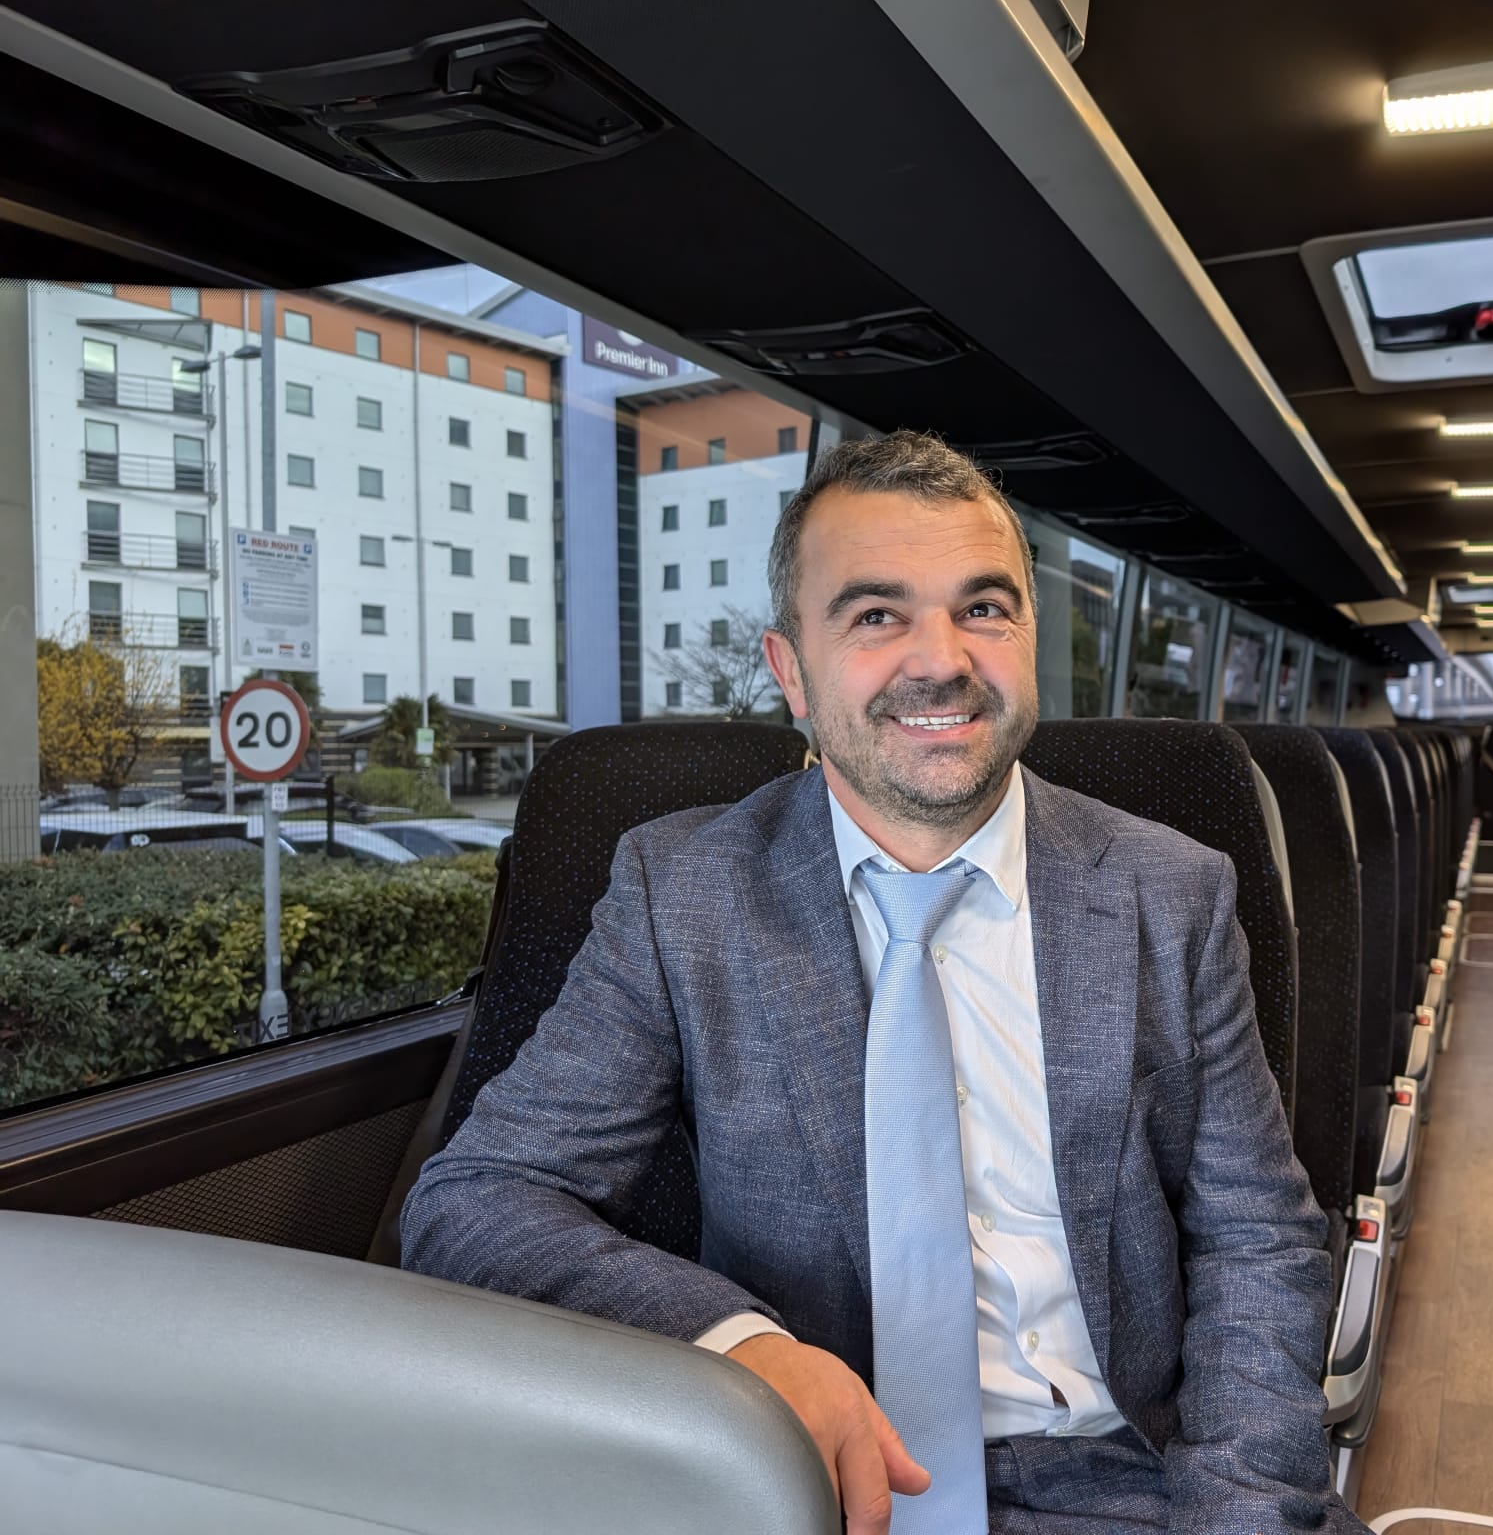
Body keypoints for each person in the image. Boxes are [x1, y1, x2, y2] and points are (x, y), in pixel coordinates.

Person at [402, 431, 1367, 1535]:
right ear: (791, 672)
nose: (941, 658)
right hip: (791, 1485)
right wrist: (745, 1350)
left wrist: (1239, 1516)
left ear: (1030, 639)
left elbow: (1258, 1240)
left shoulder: (1171, 891)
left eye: (984, 608)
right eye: (876, 616)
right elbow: (477, 1200)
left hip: (1130, 1481)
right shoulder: (684, 895)